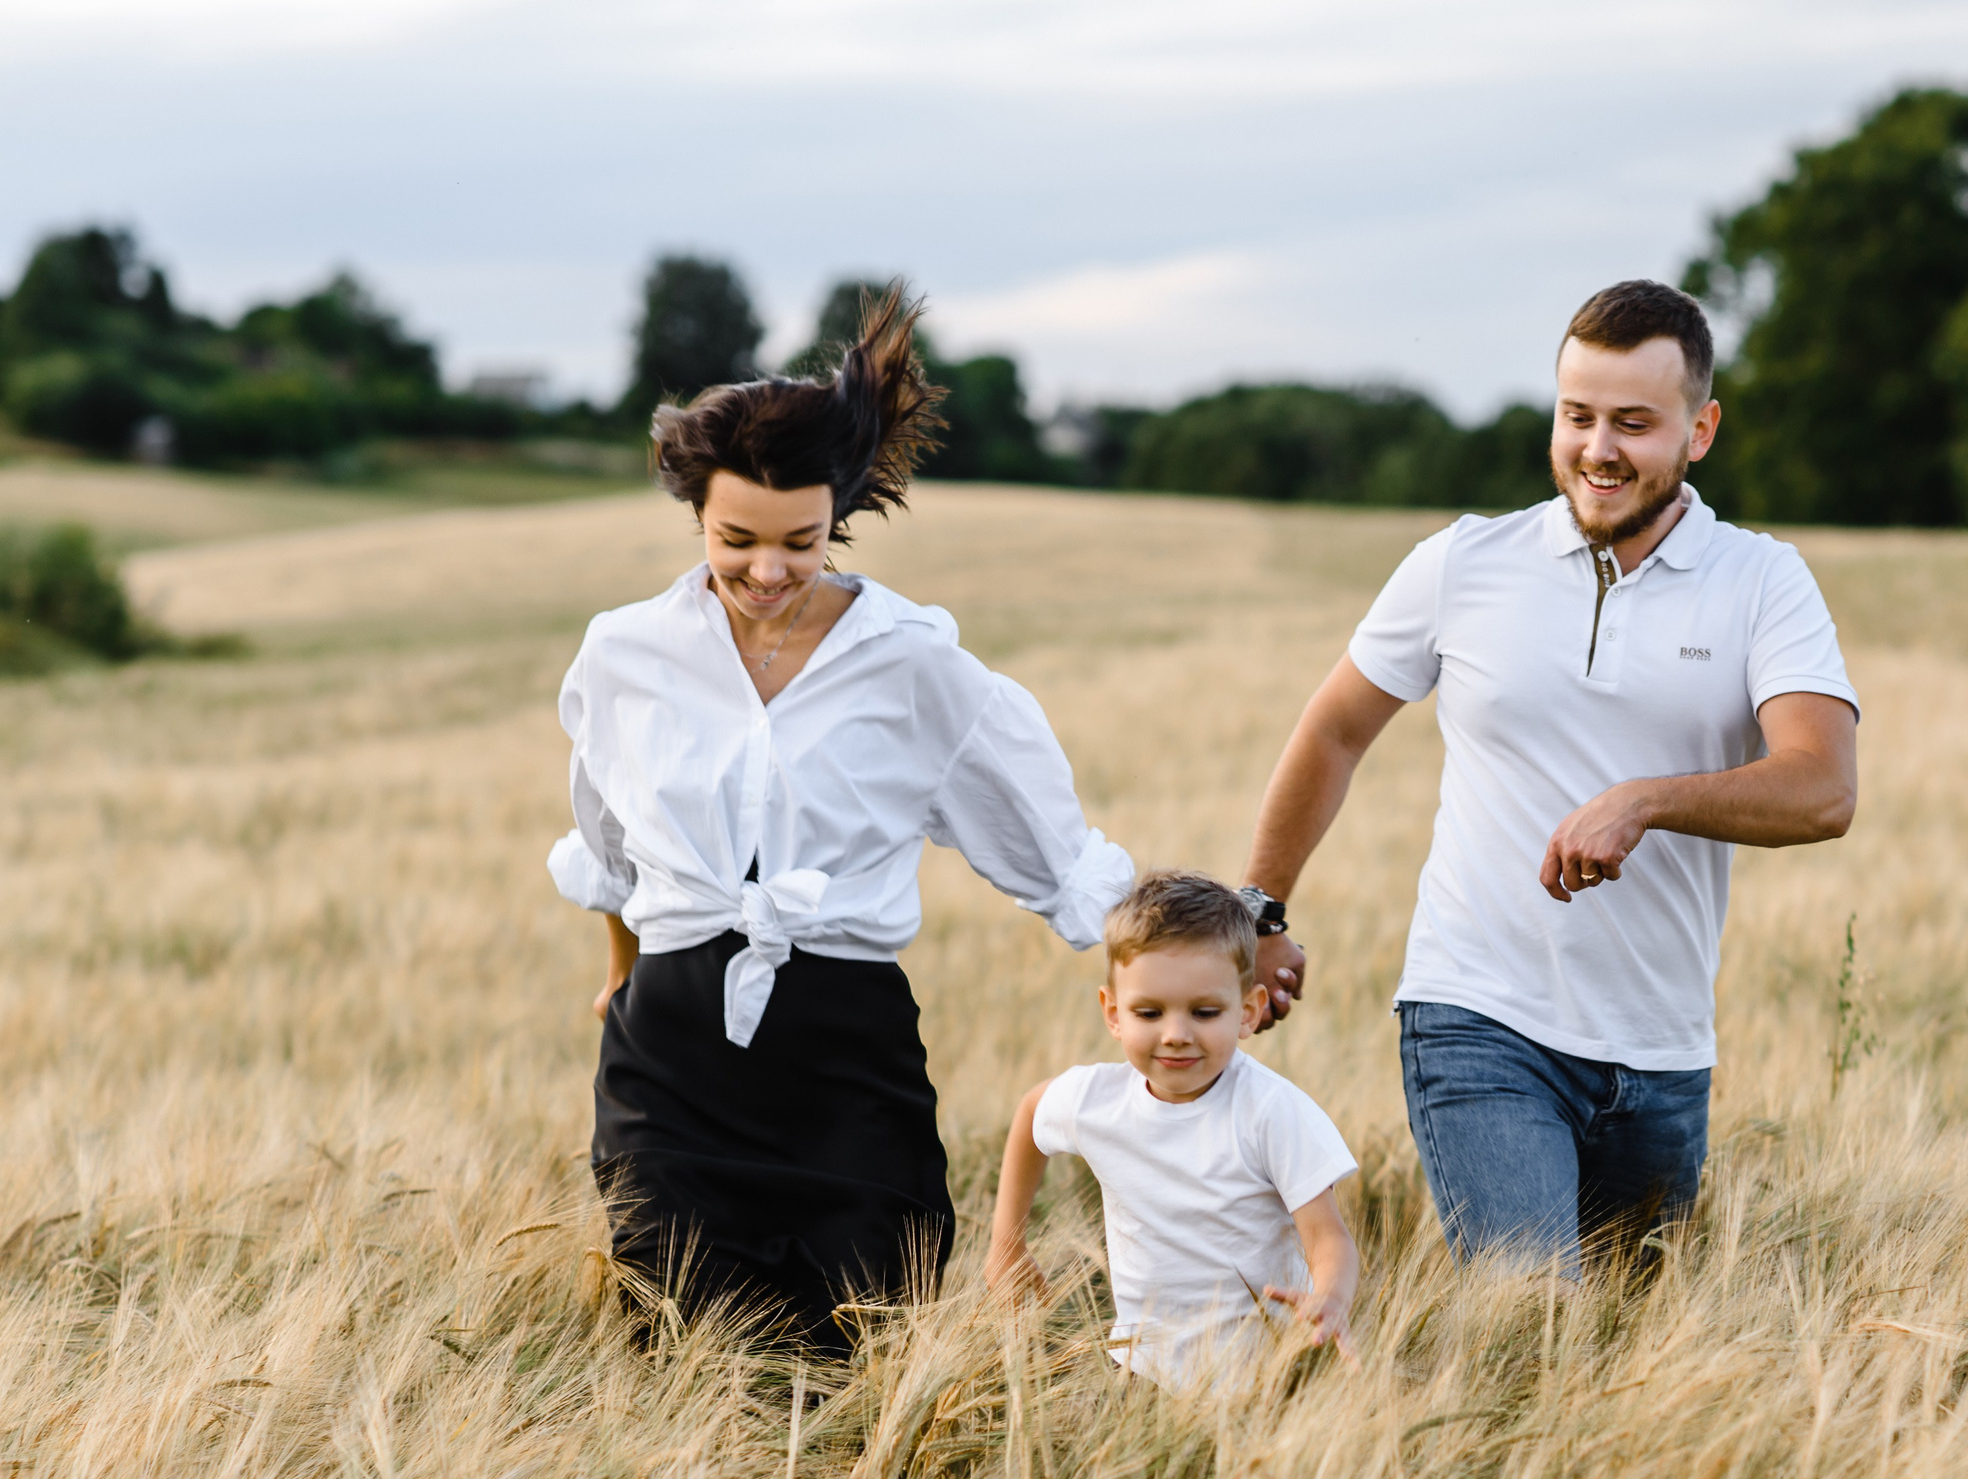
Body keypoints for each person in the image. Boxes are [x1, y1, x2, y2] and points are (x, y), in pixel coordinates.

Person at [547, 289, 1134, 1352]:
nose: (767, 572)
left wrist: (1210, 949)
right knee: (673, 1326)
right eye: (736, 540)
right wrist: (622, 968)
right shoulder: (623, 655)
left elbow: (1052, 850)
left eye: (799, 541)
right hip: (673, 1041)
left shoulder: (910, 659)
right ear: (693, 511)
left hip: (842, 1038)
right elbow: (610, 847)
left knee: (864, 1317)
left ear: (840, 512)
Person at [1240, 280, 1859, 1278]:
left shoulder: (1761, 580)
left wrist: (1645, 799)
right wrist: (1258, 909)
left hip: (1661, 1049)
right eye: (1577, 416)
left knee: (1622, 1362)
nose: (1597, 448)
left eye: (1633, 423)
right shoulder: (1463, 562)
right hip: (1477, 1017)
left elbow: (1823, 787)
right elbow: (1334, 730)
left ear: (1699, 430)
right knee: (1527, 1322)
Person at [984, 870, 1360, 1390]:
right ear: (1113, 1013)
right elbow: (1031, 1113)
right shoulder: (1097, 1101)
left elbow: (1328, 1238)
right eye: (1149, 1012)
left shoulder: (1272, 1112)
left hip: (1266, 1378)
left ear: (1248, 1011)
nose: (1176, 1035)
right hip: (1138, 1374)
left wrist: (1331, 1297)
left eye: (1205, 1012)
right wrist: (1007, 1245)